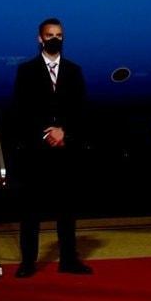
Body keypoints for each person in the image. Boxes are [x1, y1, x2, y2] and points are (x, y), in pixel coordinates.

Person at [9, 18, 92, 277]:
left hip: (66, 150)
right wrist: (45, 135)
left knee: (67, 208)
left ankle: (69, 259)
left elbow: (81, 110)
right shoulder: (26, 71)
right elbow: (21, 111)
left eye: (59, 35)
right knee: (30, 210)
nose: (55, 38)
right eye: (49, 35)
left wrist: (64, 132)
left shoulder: (74, 71)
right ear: (40, 39)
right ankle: (28, 262)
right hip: (36, 152)